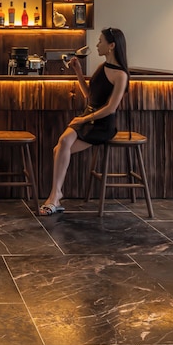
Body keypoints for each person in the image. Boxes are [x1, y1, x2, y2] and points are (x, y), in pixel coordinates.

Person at [39, 27, 129, 215]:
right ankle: (55, 195)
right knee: (63, 142)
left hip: (102, 124)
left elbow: (111, 108)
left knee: (58, 149)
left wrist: (84, 119)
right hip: (87, 117)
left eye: (100, 41)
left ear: (111, 46)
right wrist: (78, 72)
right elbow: (89, 95)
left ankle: (54, 197)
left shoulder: (121, 75)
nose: (97, 45)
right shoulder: (101, 68)